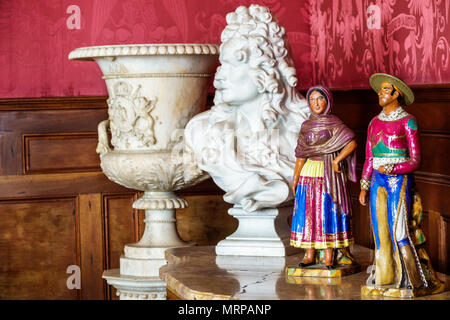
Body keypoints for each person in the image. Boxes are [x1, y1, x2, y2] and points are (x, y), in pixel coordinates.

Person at [359, 73, 441, 291]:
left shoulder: (408, 121)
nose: (380, 93)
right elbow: (369, 157)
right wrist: (364, 184)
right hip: (378, 180)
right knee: (380, 232)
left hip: (399, 181)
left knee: (400, 231)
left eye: (386, 89)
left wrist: (395, 168)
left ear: (398, 94)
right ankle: (384, 278)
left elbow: (415, 160)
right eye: (381, 89)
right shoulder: (374, 122)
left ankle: (411, 280)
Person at [291, 86, 357, 269]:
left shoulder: (335, 123)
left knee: (327, 212)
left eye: (320, 99)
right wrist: (295, 176)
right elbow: (301, 153)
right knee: (308, 214)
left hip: (327, 175)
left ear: (327, 101)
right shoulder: (306, 125)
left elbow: (351, 142)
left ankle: (329, 256)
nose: (316, 103)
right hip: (308, 173)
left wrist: (338, 159)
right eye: (312, 100)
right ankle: (309, 254)